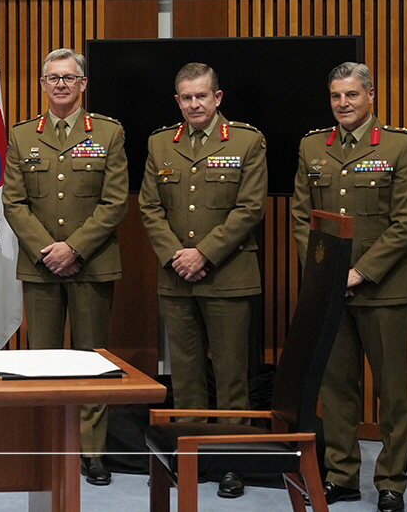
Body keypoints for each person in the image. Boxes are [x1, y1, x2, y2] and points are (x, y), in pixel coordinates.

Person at [292, 62, 407, 512]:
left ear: (371, 95)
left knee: (393, 391)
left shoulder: (400, 146)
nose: (343, 104)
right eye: (335, 96)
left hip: (382, 289)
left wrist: (359, 272)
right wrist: (327, 274)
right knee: (336, 388)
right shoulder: (313, 146)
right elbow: (301, 218)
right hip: (331, 291)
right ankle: (342, 476)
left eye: (351, 95)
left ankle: (391, 482)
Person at [138, 62, 267, 499]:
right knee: (187, 377)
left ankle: (232, 463)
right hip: (176, 277)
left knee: (231, 377)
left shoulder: (247, 141)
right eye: (186, 98)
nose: (194, 104)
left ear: (217, 98)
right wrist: (177, 256)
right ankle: (192, 461)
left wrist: (203, 254)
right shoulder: (161, 143)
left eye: (201, 96)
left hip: (227, 276)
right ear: (178, 101)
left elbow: (250, 208)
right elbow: (150, 208)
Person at [1, 48, 127, 485]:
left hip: (91, 265)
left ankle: (93, 452)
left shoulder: (108, 133)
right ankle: (49, 447)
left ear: (82, 84)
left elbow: (114, 204)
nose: (59, 84)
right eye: (52, 78)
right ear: (42, 84)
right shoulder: (21, 136)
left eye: (68, 78)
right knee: (42, 361)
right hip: (40, 268)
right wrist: (47, 250)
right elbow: (13, 203)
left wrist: (73, 248)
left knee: (94, 358)